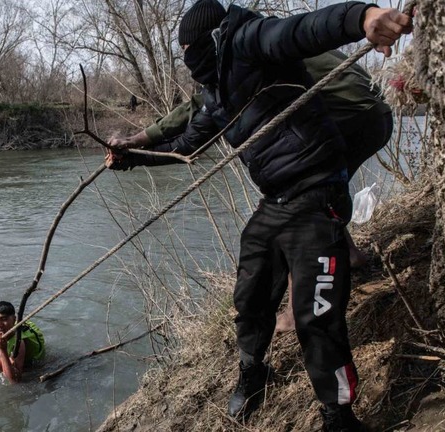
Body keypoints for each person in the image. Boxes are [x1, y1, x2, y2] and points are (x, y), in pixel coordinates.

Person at [105, 1, 411, 430]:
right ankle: (253, 373)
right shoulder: (219, 91)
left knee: (316, 316)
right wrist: (133, 157)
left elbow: (305, 29)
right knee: (250, 298)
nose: (189, 59)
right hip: (277, 201)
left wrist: (362, 18)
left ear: (212, 39)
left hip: (318, 193)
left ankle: (338, 415)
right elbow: (188, 145)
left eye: (191, 48)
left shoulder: (251, 42)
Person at [109, 48, 393, 333]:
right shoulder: (263, 42)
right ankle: (349, 254)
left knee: (298, 199)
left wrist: (135, 140)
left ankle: (296, 311)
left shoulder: (242, 56)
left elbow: (194, 110)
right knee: (320, 193)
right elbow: (192, 134)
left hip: (349, 115)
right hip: (378, 114)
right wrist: (136, 152)